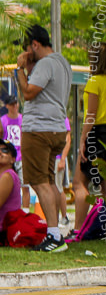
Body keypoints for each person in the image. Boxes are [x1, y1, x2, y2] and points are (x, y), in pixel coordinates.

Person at [16, 25, 73, 252]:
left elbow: (29, 92)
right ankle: (55, 232)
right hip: (56, 128)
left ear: (35, 45)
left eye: (28, 49)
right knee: (49, 181)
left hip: (39, 130)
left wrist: (20, 69)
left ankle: (54, 236)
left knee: (39, 182)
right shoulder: (62, 63)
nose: (27, 52)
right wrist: (31, 67)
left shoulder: (46, 63)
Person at [72, 43, 106, 238]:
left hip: (96, 132)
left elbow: (91, 115)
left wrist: (83, 140)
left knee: (79, 183)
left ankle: (78, 228)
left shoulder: (94, 82)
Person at [1, 97, 30, 209]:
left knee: (25, 185)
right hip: (7, 158)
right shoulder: (3, 120)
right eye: (12, 104)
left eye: (16, 104)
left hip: (21, 157)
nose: (14, 106)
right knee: (8, 183)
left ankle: (26, 211)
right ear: (7, 106)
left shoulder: (23, 119)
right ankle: (12, 208)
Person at [0, 140, 22, 230]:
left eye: (5, 151)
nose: (0, 152)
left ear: (13, 159)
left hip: (4, 227)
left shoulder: (7, 176)